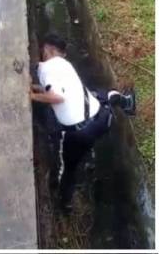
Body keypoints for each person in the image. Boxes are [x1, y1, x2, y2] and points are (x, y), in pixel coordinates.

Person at [30, 33, 136, 212]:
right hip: (103, 120)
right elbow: (59, 89)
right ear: (60, 52)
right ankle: (127, 103)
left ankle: (64, 205)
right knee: (101, 95)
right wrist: (38, 89)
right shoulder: (64, 64)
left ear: (46, 49)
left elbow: (57, 96)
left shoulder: (45, 68)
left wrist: (32, 96)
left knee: (67, 169)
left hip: (80, 134)